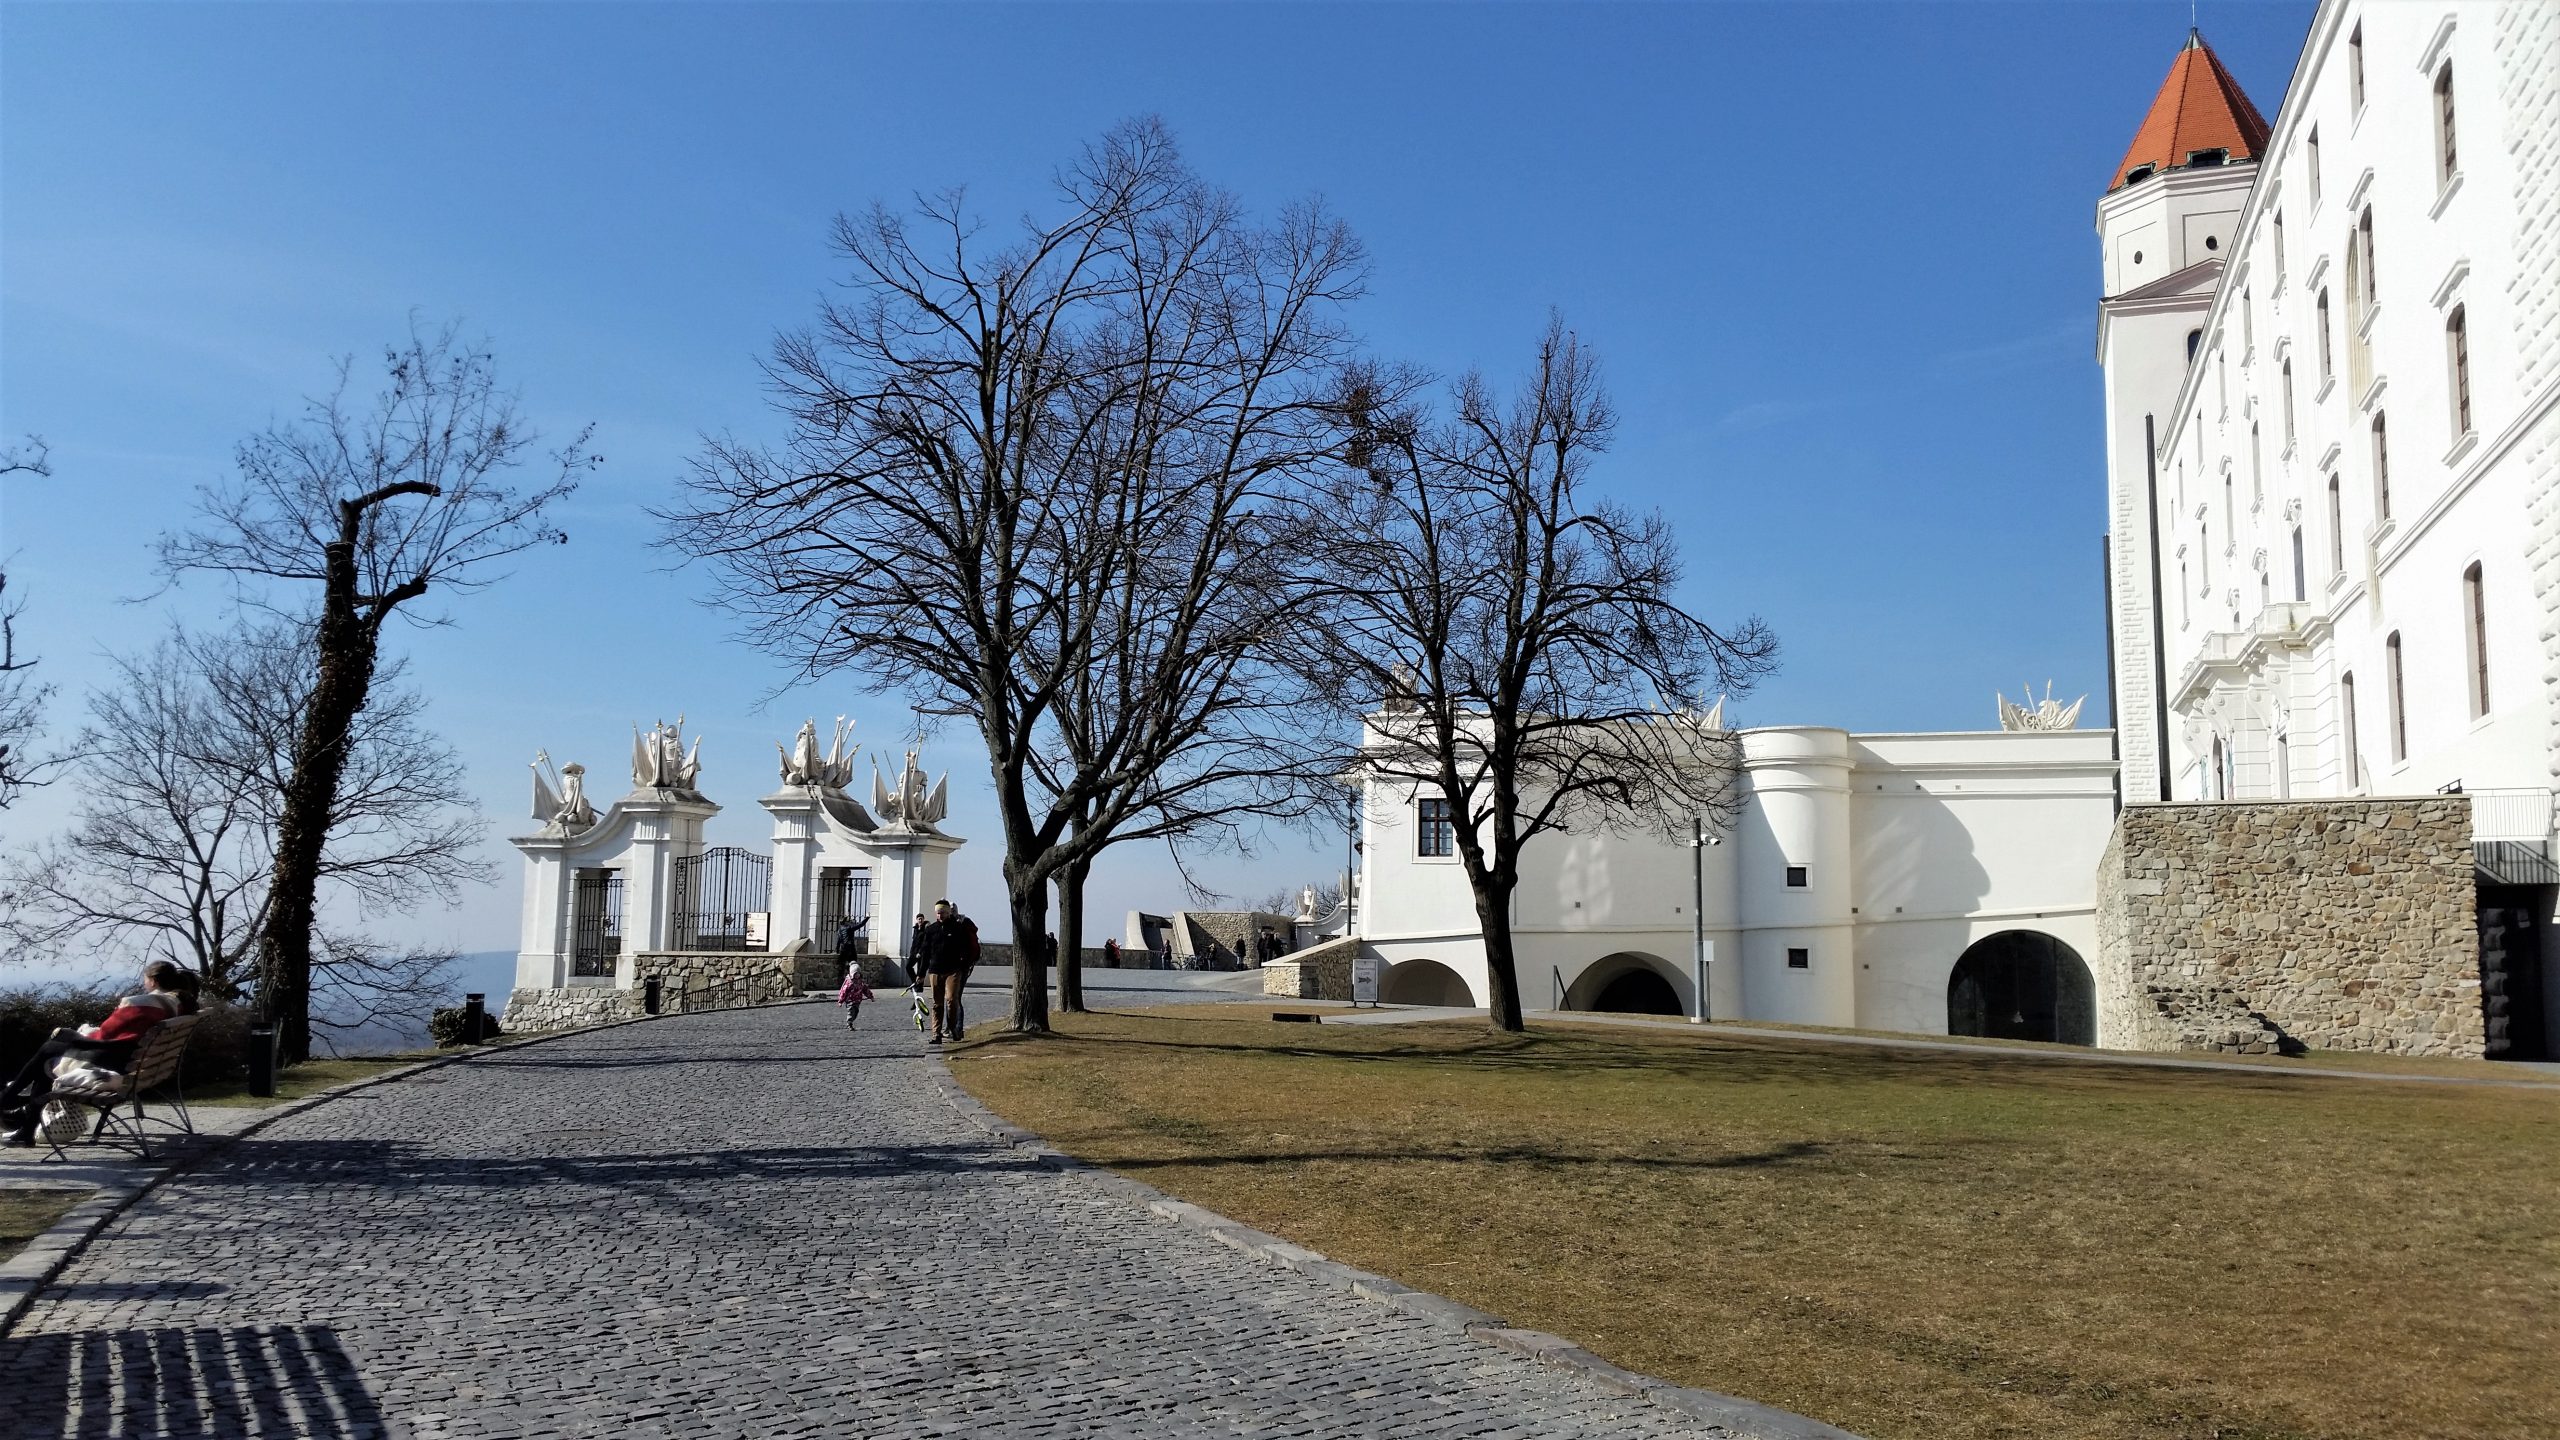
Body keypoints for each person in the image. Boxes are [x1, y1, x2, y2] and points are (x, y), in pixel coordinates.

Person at [2, 960, 199, 1146]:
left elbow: (105, 1034)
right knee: (55, 1047)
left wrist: (83, 1033)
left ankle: (10, 1103)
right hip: (139, 1064)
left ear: (153, 981)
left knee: (49, 1050)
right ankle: (20, 1118)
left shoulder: (142, 1004)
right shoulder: (178, 1003)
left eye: (145, 980)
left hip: (115, 1063)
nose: (144, 983)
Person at [913, 899, 980, 1045]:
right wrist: (921, 973)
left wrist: (964, 966)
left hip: (953, 970)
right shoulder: (931, 930)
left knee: (951, 1000)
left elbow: (966, 948)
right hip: (935, 970)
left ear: (948, 912)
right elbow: (925, 952)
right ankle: (936, 1034)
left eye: (942, 912)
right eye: (938, 913)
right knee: (937, 1003)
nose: (940, 915)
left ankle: (952, 1028)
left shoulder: (958, 928)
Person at [836, 962, 874, 1032]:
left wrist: (870, 996)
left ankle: (851, 1021)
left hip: (858, 1000)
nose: (857, 975)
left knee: (856, 1012)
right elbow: (843, 992)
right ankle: (849, 1023)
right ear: (852, 974)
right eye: (856, 974)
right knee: (851, 1011)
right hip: (850, 1000)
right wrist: (840, 1001)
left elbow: (865, 990)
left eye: (858, 973)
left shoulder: (860, 982)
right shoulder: (849, 983)